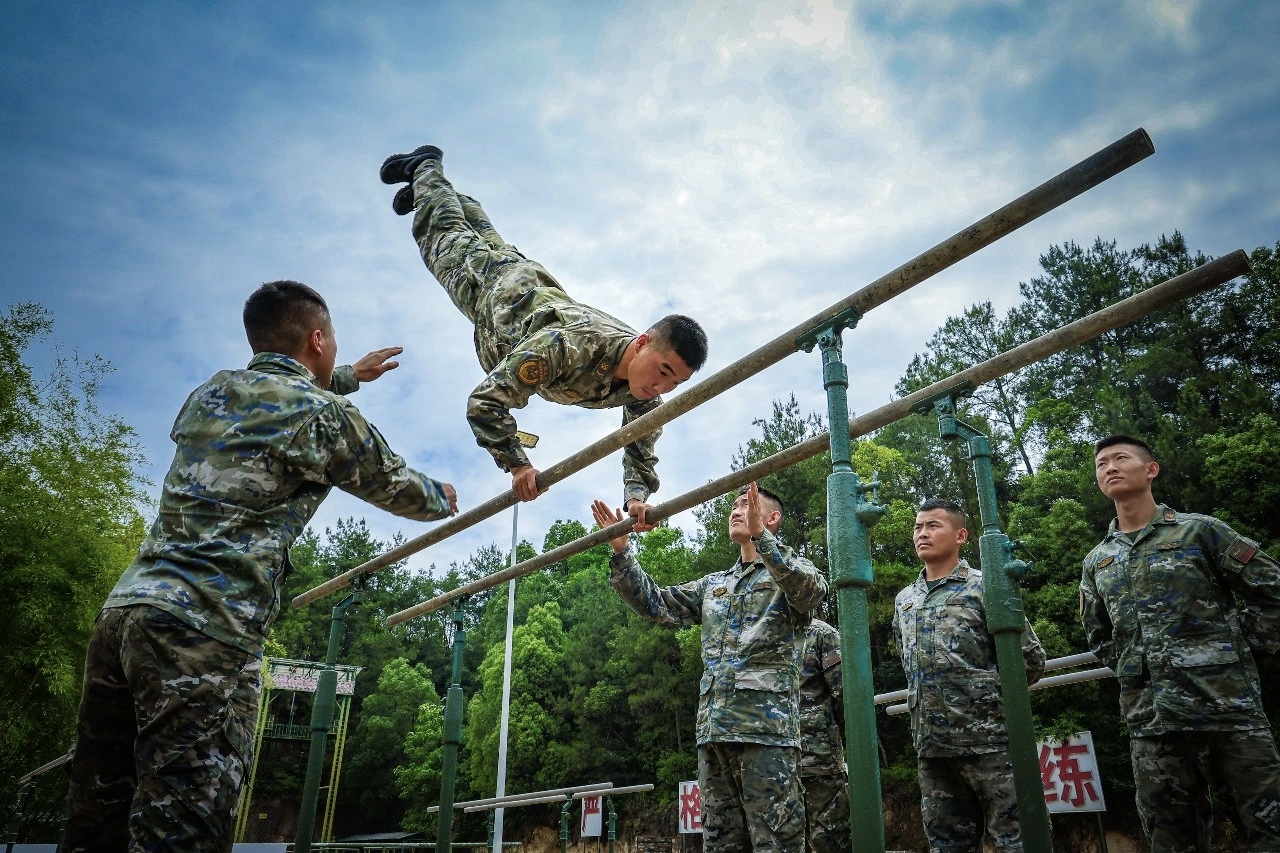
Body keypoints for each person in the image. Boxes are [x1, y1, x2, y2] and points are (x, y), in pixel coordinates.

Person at [60, 280, 460, 853]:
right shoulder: (324, 416)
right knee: (181, 828)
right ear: (318, 338)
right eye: (335, 345)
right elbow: (401, 491)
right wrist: (445, 494)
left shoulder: (211, 393)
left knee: (95, 814)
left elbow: (278, 403)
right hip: (203, 631)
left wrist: (350, 377)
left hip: (126, 616)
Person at [382, 144, 708, 531]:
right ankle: (427, 172)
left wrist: (637, 500)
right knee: (440, 237)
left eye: (676, 382)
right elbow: (485, 403)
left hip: (529, 283)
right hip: (491, 290)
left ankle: (441, 193)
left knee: (484, 235)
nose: (662, 387)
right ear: (641, 343)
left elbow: (639, 445)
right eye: (663, 370)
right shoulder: (566, 349)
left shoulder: (645, 389)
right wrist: (518, 465)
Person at [592, 483, 827, 853]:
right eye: (732, 506)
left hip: (765, 734)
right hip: (714, 734)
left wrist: (763, 539)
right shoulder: (714, 585)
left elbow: (810, 592)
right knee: (721, 844)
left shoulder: (790, 574)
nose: (736, 510)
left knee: (777, 842)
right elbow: (657, 604)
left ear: (772, 518)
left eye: (746, 505)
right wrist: (623, 552)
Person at [1082, 434, 1280, 852]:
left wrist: (1240, 649)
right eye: (1101, 464)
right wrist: (1134, 668)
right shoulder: (1098, 559)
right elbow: (1100, 634)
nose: (1110, 468)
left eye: (1121, 458)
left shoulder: (1200, 531)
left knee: (1269, 827)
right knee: (1170, 839)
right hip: (1153, 722)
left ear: (1150, 469)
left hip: (1228, 710)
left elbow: (1271, 590)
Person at [892, 498, 1045, 853]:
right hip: (932, 748)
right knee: (946, 844)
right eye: (918, 527)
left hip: (991, 743)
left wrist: (984, 699)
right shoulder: (905, 600)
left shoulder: (984, 586)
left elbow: (1030, 660)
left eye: (933, 526)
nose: (922, 533)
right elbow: (908, 662)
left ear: (961, 535)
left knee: (1018, 841)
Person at [797, 618, 850, 853]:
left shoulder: (822, 635)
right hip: (774, 767)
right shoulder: (761, 634)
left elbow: (845, 697)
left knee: (829, 839)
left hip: (819, 763)